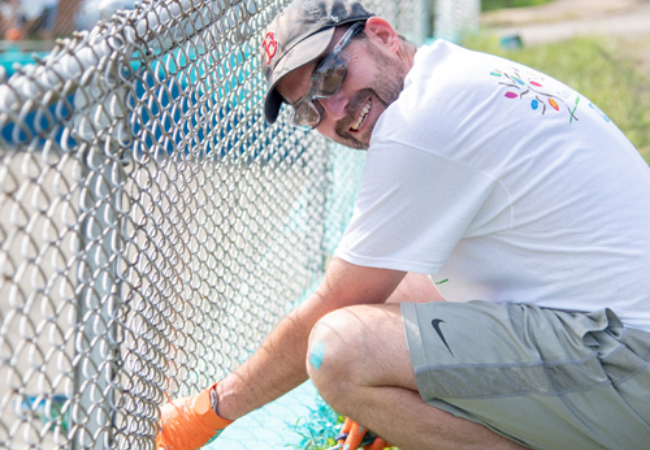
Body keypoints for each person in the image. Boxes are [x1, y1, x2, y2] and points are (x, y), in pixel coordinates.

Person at [156, 0, 650, 448]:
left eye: (330, 75)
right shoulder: (450, 74)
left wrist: (210, 411)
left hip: (631, 368)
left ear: (383, 35)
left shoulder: (418, 124)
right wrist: (398, 392)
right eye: (308, 109)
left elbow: (336, 304)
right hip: (619, 340)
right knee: (397, 296)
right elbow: (395, 289)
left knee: (339, 349)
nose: (334, 111)